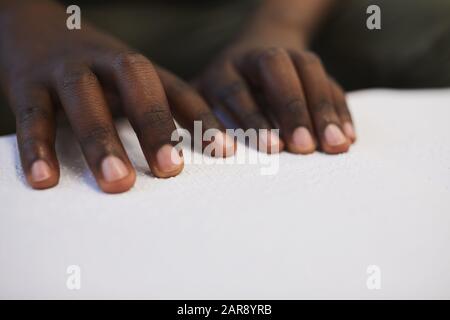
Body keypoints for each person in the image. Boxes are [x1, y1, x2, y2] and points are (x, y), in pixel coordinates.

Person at [0, 0, 448, 193]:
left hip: (248, 12)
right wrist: (18, 21)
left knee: (430, 25)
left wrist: (281, 25)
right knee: (33, 102)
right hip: (71, 16)